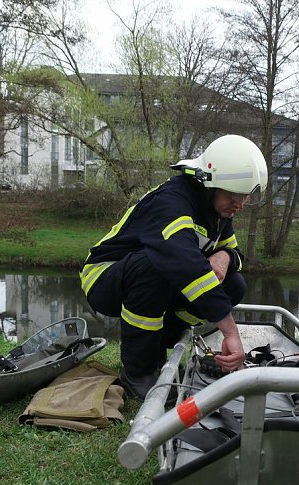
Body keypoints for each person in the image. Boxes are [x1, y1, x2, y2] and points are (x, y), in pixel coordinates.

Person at [80, 134, 268, 400]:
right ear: (210, 183)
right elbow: (184, 265)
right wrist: (230, 331)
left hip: (154, 279)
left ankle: (156, 347)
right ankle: (138, 374)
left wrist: (224, 256)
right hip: (103, 276)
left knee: (233, 284)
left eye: (246, 196)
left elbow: (236, 254)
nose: (240, 204)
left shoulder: (218, 212)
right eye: (234, 195)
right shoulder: (172, 202)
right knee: (155, 268)